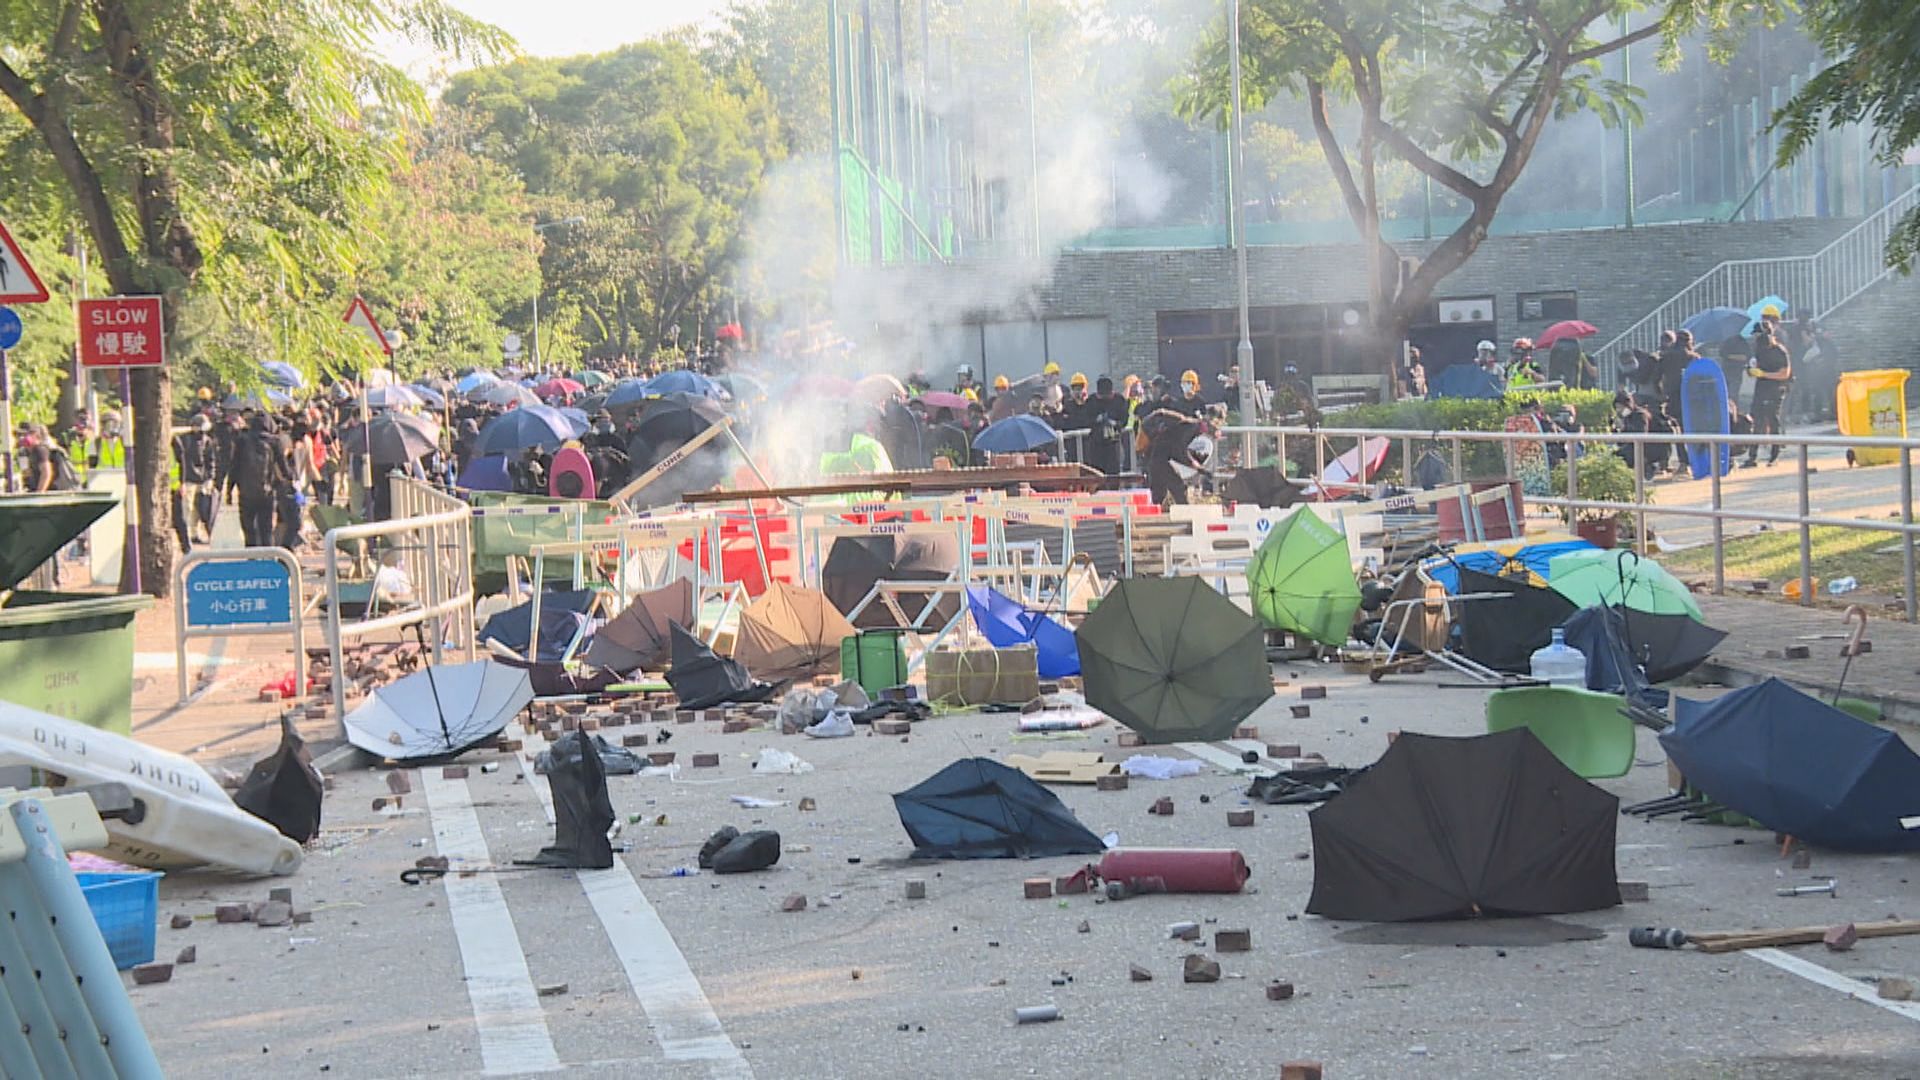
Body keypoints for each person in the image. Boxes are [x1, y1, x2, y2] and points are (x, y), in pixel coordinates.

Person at [230, 414, 288, 547]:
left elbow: (234, 467)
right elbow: (284, 468)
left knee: (249, 530)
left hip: (245, 493)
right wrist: (290, 482)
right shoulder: (274, 441)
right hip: (267, 492)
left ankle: (252, 560)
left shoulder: (242, 441)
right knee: (266, 529)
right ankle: (267, 560)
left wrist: (229, 489)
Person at [1744, 322, 1793, 467]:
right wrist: (1751, 370)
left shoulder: (1780, 351)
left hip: (1776, 388)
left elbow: (1785, 374)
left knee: (1773, 421)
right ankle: (1752, 457)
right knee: (1756, 421)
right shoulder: (1758, 349)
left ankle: (1774, 456)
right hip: (1761, 388)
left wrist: (1764, 374)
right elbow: (1753, 366)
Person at [1141, 408, 1204, 506]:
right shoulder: (1190, 428)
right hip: (1160, 460)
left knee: (1158, 494)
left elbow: (1176, 450)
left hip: (1156, 459)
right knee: (1179, 489)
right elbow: (1179, 450)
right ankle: (1185, 515)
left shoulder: (1182, 425)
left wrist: (1191, 463)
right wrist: (1192, 463)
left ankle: (1157, 515)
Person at [171, 415, 216, 552]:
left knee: (198, 509)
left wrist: (210, 478)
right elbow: (182, 461)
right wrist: (182, 481)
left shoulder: (207, 441)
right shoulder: (184, 440)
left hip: (202, 479)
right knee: (187, 508)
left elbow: (211, 460)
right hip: (189, 479)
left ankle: (195, 533)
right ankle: (188, 535)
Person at [1083, 376, 1128, 475]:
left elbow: (1124, 420)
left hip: (1113, 442)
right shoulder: (1091, 401)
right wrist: (1096, 420)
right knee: (1097, 474)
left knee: (1113, 474)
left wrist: (1115, 423)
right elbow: (1086, 420)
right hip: (1096, 443)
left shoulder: (1119, 400)